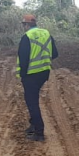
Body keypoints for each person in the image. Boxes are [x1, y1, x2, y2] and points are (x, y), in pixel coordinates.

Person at [15, 14, 58, 142]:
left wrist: (22, 76)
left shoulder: (26, 37)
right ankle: (33, 124)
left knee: (32, 102)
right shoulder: (46, 34)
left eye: (24, 25)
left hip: (30, 75)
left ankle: (39, 132)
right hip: (44, 73)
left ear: (27, 25)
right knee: (33, 99)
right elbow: (55, 53)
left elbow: (23, 59)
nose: (24, 27)